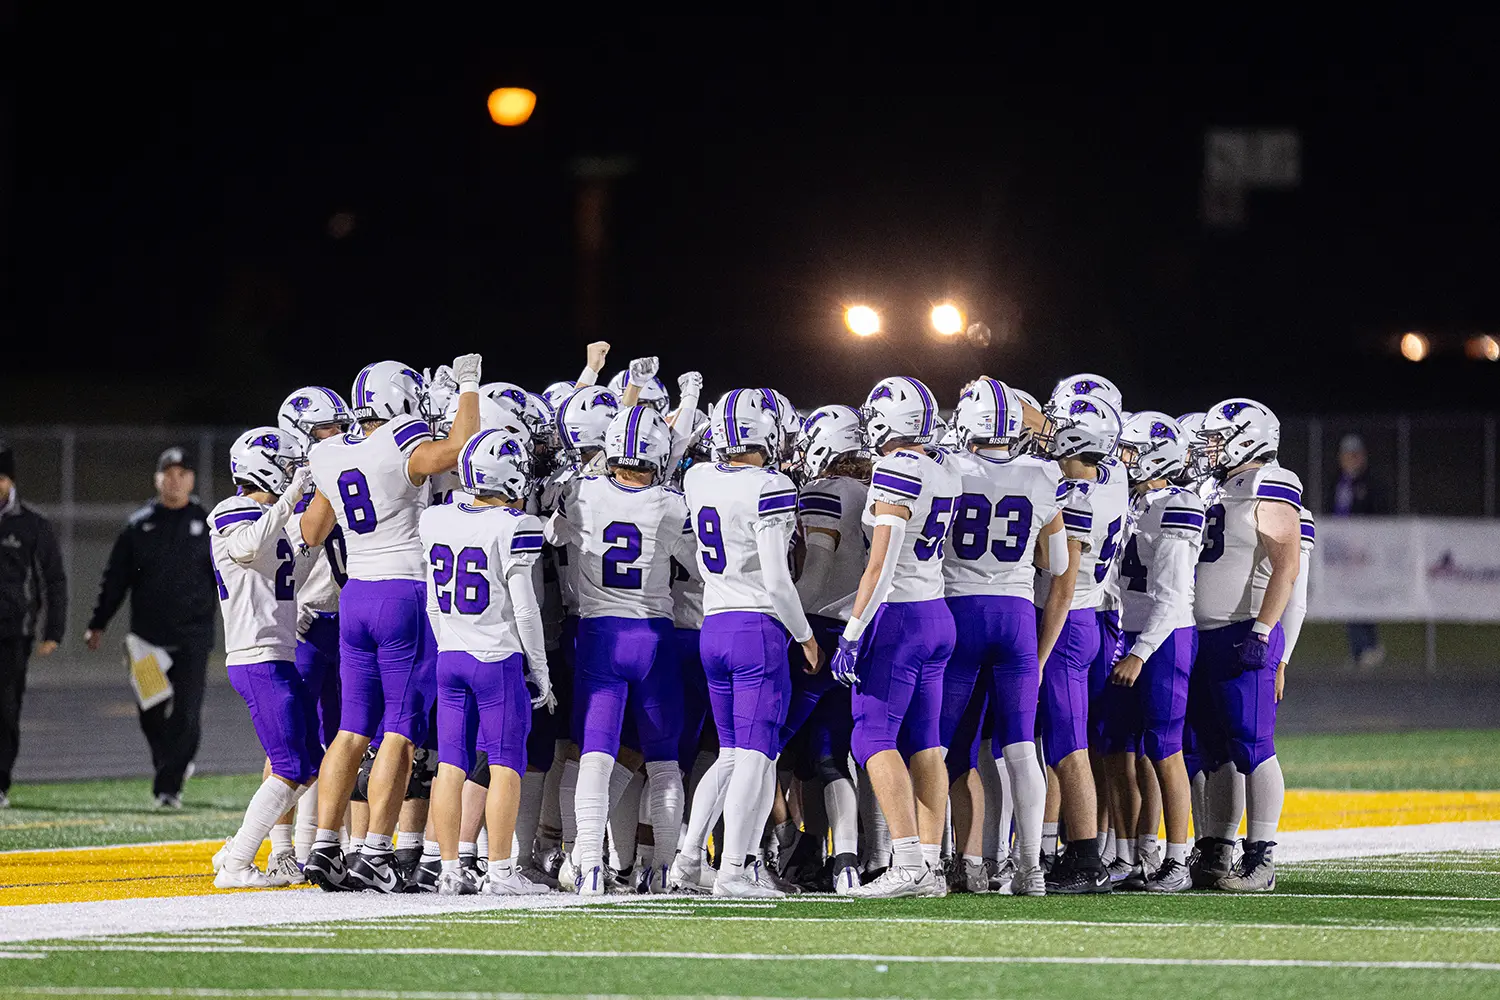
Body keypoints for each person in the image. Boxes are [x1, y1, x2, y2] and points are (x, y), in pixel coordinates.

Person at [297, 355, 482, 892]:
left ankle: (326, 846)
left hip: (355, 595)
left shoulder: (330, 452)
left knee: (351, 728)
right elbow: (462, 447)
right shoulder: (399, 441)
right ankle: (376, 850)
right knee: (401, 728)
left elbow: (311, 532)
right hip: (404, 592)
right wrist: (469, 386)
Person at [674, 388, 822, 898]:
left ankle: (688, 859)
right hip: (757, 629)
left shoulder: (698, 477)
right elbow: (778, 581)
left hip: (714, 625)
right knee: (756, 756)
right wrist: (805, 636)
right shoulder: (771, 485)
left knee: (732, 755)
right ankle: (734, 869)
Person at [832, 376, 960, 900]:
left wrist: (853, 631)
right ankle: (928, 863)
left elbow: (881, 564)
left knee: (871, 737)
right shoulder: (943, 466)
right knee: (926, 742)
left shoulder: (897, 468)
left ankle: (907, 862)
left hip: (899, 618)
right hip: (936, 612)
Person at [941, 378, 1067, 897]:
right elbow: (1056, 562)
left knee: (946, 746)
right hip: (1016, 617)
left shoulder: (949, 468)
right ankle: (1030, 867)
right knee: (1019, 747)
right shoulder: (1041, 474)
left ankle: (950, 860)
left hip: (959, 610)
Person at [1191, 398, 1304, 893]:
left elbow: (1287, 566)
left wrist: (1264, 631)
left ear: (1249, 439)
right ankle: (1218, 846)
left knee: (1252, 745)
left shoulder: (1271, 482)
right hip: (1202, 634)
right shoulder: (1214, 487)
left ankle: (1261, 857)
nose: (1211, 448)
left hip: (1243, 629)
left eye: (1220, 438)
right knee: (1215, 750)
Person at [206, 428, 318, 888]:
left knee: (309, 764)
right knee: (290, 766)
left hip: (277, 651)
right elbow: (246, 547)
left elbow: (289, 573)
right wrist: (290, 499)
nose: (294, 475)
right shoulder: (232, 511)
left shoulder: (270, 519)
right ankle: (237, 865)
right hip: (256, 655)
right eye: (288, 468)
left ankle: (236, 849)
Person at [86, 445, 217, 808]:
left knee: (187, 714)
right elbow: (115, 579)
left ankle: (168, 787)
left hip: (193, 637)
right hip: (146, 639)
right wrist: (98, 622)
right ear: (157, 478)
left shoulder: (207, 524)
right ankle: (171, 767)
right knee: (151, 713)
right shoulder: (138, 525)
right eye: (168, 473)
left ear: (191, 479)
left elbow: (225, 579)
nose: (174, 480)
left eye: (181, 474)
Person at [0, 439, 68, 808]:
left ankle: (0, 782)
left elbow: (53, 579)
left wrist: (53, 630)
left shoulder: (32, 524)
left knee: (5, 709)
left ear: (9, 480)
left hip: (13, 633)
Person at [1328, 433, 1385, 669]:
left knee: (1362, 598)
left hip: (1364, 551)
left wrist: (1367, 543)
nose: (1350, 459)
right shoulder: (1338, 482)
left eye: (1354, 455)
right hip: (1343, 551)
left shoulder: (1370, 483)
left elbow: (1379, 515)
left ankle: (1370, 646)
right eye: (1346, 455)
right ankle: (1358, 651)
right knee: (1347, 599)